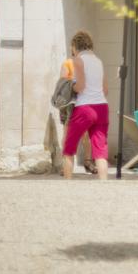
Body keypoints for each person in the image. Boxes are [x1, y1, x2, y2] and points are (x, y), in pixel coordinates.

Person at [62, 30, 109, 180]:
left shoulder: (78, 60)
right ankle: (104, 183)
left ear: (75, 46)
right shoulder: (98, 61)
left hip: (84, 108)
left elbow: (80, 87)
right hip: (102, 107)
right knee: (100, 150)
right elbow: (105, 89)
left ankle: (67, 183)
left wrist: (70, 87)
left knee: (69, 148)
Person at [60, 51, 95, 174]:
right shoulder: (68, 64)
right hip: (70, 104)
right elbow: (62, 83)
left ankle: (87, 162)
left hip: (84, 103)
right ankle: (65, 165)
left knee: (85, 134)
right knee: (67, 133)